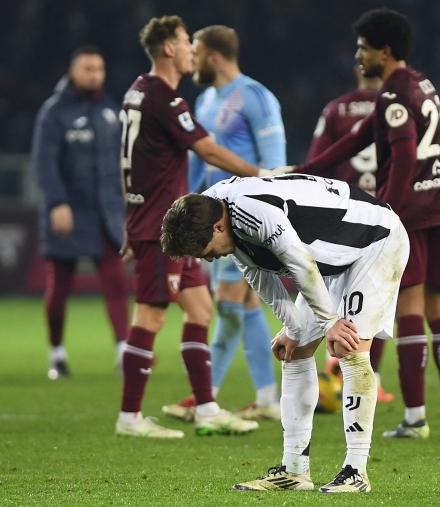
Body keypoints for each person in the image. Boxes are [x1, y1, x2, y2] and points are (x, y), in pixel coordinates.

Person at [160, 175, 409, 493]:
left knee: (350, 347)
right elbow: (255, 270)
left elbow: (297, 262)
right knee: (293, 351)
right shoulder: (210, 209)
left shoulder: (253, 211)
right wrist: (294, 328)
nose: (209, 258)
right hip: (326, 260)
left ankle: (355, 471)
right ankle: (294, 471)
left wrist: (330, 322)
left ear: (218, 228)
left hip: (374, 241)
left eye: (207, 250)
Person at [289, 8, 440, 438]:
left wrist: (386, 210)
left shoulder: (391, 92)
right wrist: (307, 169)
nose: (358, 58)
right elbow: (359, 138)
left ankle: (415, 419)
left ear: (384, 52)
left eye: (363, 49)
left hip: (414, 215)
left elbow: (405, 156)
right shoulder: (421, 84)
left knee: (410, 309)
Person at [114, 15, 265, 438]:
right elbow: (208, 151)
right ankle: (129, 418)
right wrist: (261, 174)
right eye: (185, 42)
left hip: (167, 225)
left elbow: (128, 162)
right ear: (168, 49)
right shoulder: (164, 96)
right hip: (162, 227)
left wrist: (132, 216)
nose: (192, 50)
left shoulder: (135, 93)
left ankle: (207, 408)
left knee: (200, 308)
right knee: (150, 315)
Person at [162, 25, 285, 423]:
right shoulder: (206, 100)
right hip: (210, 220)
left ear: (213, 55)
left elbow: (274, 163)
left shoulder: (256, 96)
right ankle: (265, 397)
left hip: (240, 219)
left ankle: (207, 397)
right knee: (243, 303)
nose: (191, 58)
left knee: (230, 304)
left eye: (195, 51)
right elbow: (200, 161)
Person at [31, 46, 129, 379]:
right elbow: (43, 163)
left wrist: (123, 204)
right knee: (59, 286)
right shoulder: (54, 112)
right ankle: (56, 353)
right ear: (74, 72)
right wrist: (58, 202)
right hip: (68, 213)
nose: (95, 75)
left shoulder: (109, 109)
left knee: (116, 281)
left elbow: (119, 163)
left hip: (105, 214)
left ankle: (122, 351)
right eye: (88, 69)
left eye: (99, 69)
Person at [305, 65, 395, 403]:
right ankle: (371, 378)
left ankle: (337, 373)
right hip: (385, 213)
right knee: (380, 298)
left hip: (344, 216)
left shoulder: (336, 110)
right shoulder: (398, 106)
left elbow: (318, 162)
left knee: (338, 294)